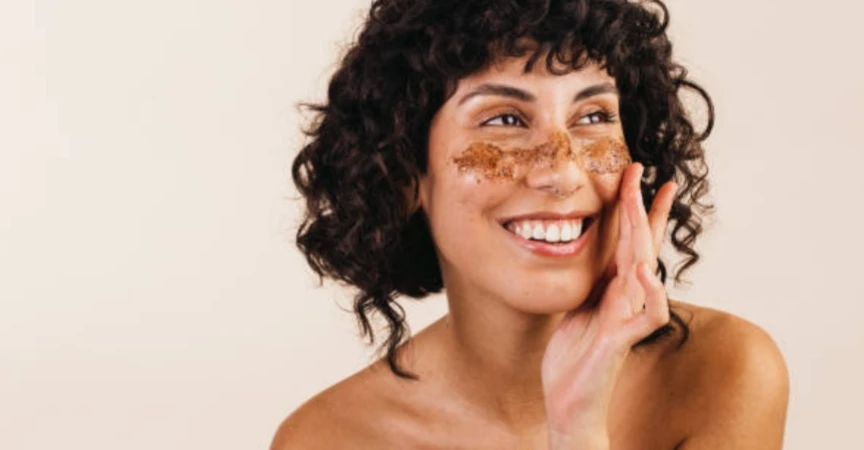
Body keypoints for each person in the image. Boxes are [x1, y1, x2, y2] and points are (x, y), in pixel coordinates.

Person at [273, 0, 789, 448]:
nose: (563, 171)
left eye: (593, 116)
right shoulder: (328, 440)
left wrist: (578, 427)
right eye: (503, 120)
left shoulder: (722, 374)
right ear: (407, 175)